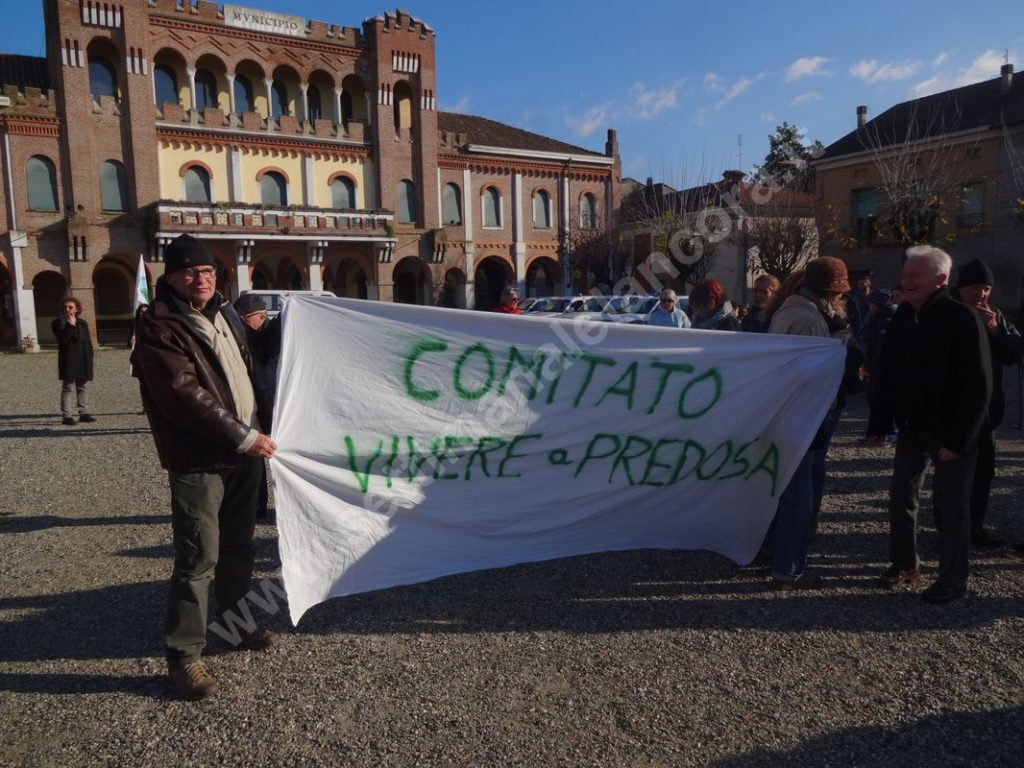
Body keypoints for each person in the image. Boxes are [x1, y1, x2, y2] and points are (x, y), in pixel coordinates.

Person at [132, 233, 279, 700]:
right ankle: (184, 657)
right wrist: (243, 435)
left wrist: (299, 320)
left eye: (209, 271)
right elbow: (182, 395)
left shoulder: (226, 314)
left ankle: (235, 625)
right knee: (198, 557)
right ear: (171, 277)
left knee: (239, 546)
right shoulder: (160, 326)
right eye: (191, 272)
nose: (202, 278)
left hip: (245, 451)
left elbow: (254, 357)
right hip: (201, 457)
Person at [870, 246, 991, 604]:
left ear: (940, 279)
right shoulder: (904, 316)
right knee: (900, 498)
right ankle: (904, 564)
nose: (906, 282)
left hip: (950, 431)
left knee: (951, 507)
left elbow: (979, 385)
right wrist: (878, 423)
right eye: (905, 275)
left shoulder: (961, 318)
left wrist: (959, 439)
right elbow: (887, 372)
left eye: (915, 276)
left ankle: (953, 579)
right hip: (912, 428)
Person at [762, 257, 850, 589]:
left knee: (786, 491)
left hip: (786, 412)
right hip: (800, 415)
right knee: (799, 496)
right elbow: (811, 373)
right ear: (829, 292)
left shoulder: (786, 311)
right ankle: (789, 568)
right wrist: (838, 345)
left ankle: (773, 547)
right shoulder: (806, 318)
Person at [952, 258, 1024, 547]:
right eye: (975, 288)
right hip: (954, 409)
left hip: (988, 411)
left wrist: (995, 330)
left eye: (986, 289)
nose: (981, 295)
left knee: (984, 472)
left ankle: (975, 526)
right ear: (960, 288)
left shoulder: (994, 315)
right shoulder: (949, 313)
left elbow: (1014, 353)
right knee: (954, 475)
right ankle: (949, 530)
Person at [234, 293, 282, 520]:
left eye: (246, 318)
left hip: (272, 405)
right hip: (255, 406)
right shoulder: (245, 337)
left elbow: (277, 331)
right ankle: (257, 506)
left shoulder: (265, 338)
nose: (242, 323)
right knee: (253, 458)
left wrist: (290, 311)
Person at [858, 288, 895, 445]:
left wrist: (872, 365)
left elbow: (879, 346)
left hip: (882, 369)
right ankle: (875, 433)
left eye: (871, 303)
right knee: (874, 401)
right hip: (874, 367)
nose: (869, 306)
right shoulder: (874, 317)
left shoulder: (887, 319)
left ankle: (881, 434)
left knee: (881, 402)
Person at [52, 296, 96, 426]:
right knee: (68, 387)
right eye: (65, 307)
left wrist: (90, 355)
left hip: (83, 358)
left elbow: (87, 341)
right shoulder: (58, 323)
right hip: (69, 358)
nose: (67, 309)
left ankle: (83, 412)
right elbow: (62, 340)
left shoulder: (82, 323)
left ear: (76, 309)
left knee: (82, 386)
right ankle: (67, 415)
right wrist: (70, 326)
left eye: (70, 307)